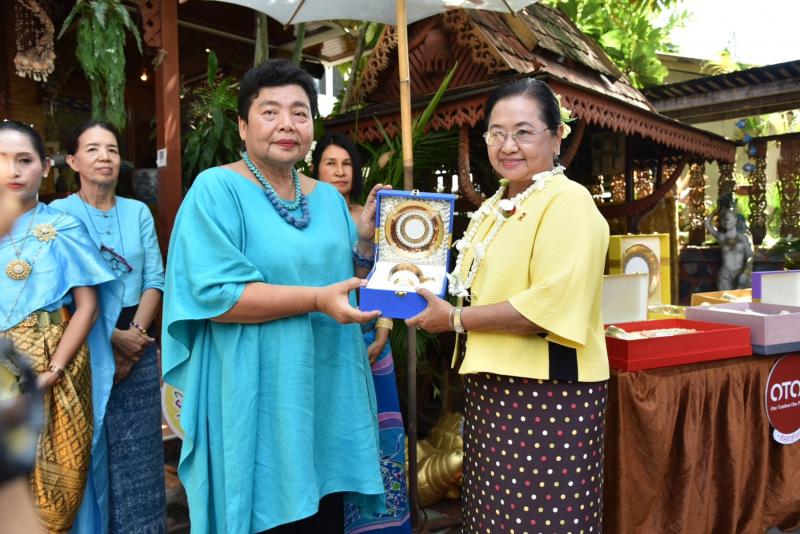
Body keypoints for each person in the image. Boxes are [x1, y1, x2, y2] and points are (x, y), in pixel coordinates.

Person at [162, 59, 388, 534]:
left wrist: (365, 243)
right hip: (257, 387)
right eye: (270, 112)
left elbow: (347, 282)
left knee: (324, 511)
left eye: (300, 113)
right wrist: (316, 300)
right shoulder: (216, 189)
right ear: (243, 126)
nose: (287, 124)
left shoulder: (328, 199)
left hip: (325, 386)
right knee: (267, 513)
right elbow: (217, 297)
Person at [405, 79, 610, 533]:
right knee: (494, 518)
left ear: (557, 137)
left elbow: (546, 308)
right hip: (492, 387)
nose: (508, 145)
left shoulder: (568, 201)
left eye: (523, 132)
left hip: (549, 391)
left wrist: (453, 319)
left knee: (541, 521)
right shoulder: (498, 204)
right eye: (496, 133)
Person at [0, 120, 121, 532]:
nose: (13, 170)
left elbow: (88, 308)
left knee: (60, 494)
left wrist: (52, 371)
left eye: (24, 160)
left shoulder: (64, 227)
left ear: (46, 166)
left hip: (56, 372)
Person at [50, 120, 166, 532]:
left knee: (139, 456)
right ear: (72, 161)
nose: (105, 157)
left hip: (137, 335)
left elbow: (155, 279)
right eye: (93, 149)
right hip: (82, 342)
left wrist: (135, 337)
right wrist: (109, 338)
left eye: (112, 150)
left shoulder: (138, 212)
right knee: (87, 448)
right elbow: (57, 290)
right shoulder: (57, 214)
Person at [311, 133, 411, 533]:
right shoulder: (307, 217)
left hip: (372, 339)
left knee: (380, 435)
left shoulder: (369, 218)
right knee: (334, 435)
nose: (339, 172)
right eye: (330, 163)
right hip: (328, 340)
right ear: (315, 169)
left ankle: (381, 526)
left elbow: (391, 276)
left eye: (346, 164)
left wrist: (383, 331)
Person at [704, 194, 753, 290]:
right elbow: (707, 223)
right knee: (725, 296)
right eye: (723, 219)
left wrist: (746, 272)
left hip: (741, 271)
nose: (726, 222)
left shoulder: (743, 237)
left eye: (728, 219)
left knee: (742, 295)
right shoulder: (721, 237)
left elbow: (750, 256)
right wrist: (717, 210)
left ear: (735, 219)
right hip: (725, 274)